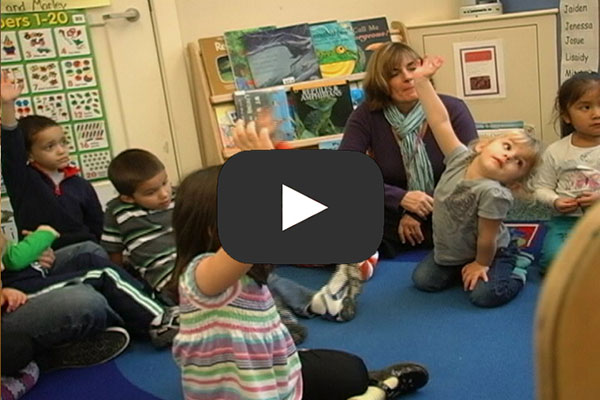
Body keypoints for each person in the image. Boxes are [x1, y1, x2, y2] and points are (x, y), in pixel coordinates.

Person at [171, 165, 429, 400]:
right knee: (358, 385)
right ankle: (380, 391)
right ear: (211, 228)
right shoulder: (200, 275)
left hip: (274, 371)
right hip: (256, 391)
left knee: (353, 370)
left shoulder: (246, 268)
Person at [409, 56, 542, 308]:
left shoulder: (494, 193)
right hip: (452, 251)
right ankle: (464, 267)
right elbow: (440, 121)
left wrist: (481, 264)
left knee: (484, 296)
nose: (508, 155)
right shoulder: (460, 158)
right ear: (482, 145)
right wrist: (421, 80)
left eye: (518, 162)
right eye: (507, 146)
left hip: (491, 251)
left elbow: (486, 238)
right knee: (422, 281)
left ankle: (518, 265)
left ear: (514, 182)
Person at [339, 42, 478, 258]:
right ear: (381, 82)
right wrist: (401, 199)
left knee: (476, 206)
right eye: (395, 73)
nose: (407, 77)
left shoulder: (452, 108)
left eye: (412, 68)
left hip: (448, 204)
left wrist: (418, 213)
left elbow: (471, 172)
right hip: (391, 210)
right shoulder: (365, 115)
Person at [1, 226, 178, 348]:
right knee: (94, 287)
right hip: (15, 294)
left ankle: (150, 306)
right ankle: (158, 322)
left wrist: (34, 251)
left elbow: (9, 256)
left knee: (90, 253)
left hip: (19, 274)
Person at [0, 71, 105, 262]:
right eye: (50, 146)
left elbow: (97, 225)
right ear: (29, 154)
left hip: (88, 250)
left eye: (63, 143)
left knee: (98, 264)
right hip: (44, 257)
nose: (61, 151)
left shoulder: (81, 185)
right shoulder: (23, 180)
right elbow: (12, 149)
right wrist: (7, 105)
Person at [533, 71, 600, 273]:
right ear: (566, 116)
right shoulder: (556, 151)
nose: (596, 113)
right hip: (566, 223)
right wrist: (555, 201)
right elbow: (540, 188)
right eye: (585, 107)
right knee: (554, 260)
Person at [101, 149, 177, 298]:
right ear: (128, 198)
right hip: (166, 277)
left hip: (199, 263)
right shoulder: (118, 212)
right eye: (151, 192)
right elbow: (114, 252)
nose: (164, 194)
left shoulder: (181, 197)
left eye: (165, 182)